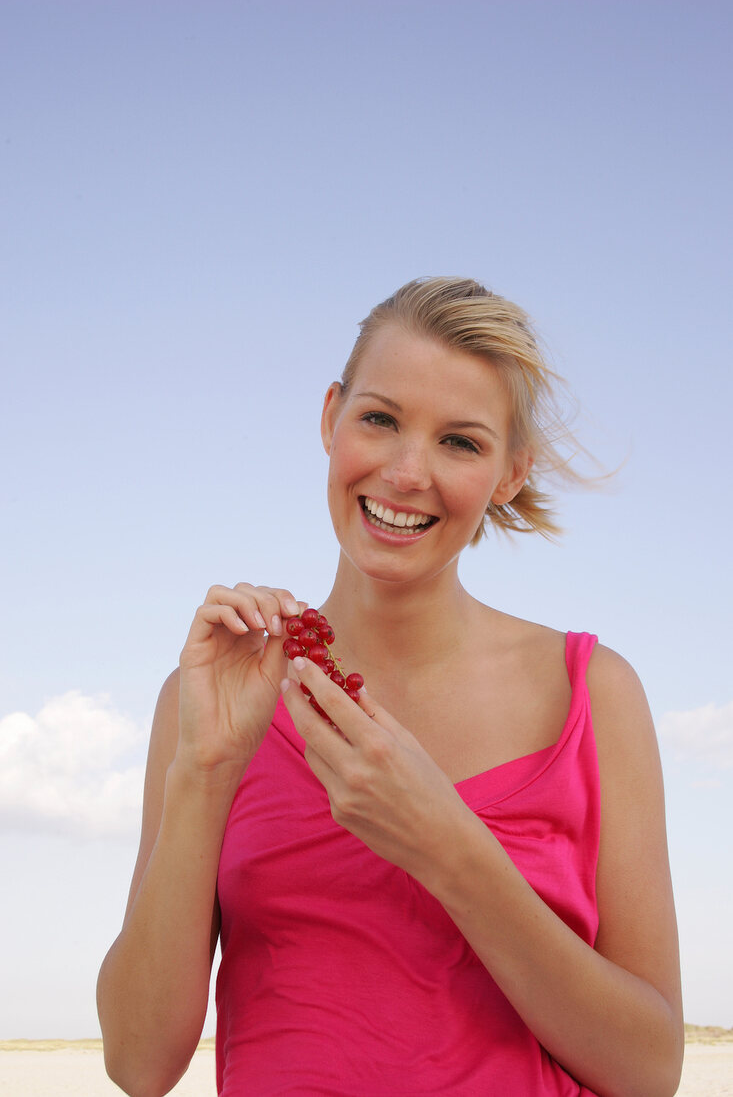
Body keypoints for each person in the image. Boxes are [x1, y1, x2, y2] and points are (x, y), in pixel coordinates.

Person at [97, 277, 683, 1097]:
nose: (407, 473)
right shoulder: (212, 695)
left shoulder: (593, 691)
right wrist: (204, 771)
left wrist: (448, 850)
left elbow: (650, 1071)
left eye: (460, 442)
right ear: (331, 415)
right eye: (379, 419)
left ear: (509, 475)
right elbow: (137, 1061)